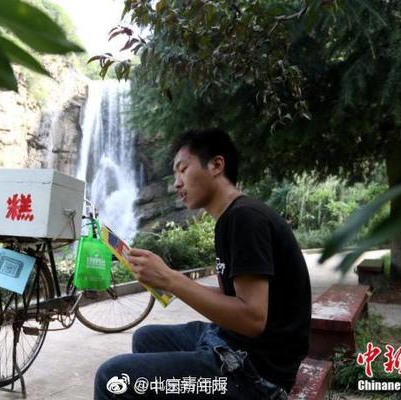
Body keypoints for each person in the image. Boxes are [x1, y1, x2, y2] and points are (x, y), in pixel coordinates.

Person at [94, 128, 311, 399]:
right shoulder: (230, 219)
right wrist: (167, 280)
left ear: (216, 165)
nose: (177, 184)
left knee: (111, 376)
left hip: (256, 372)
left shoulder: (246, 218)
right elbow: (234, 296)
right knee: (146, 337)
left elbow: (253, 319)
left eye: (183, 170)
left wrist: (172, 280)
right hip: (233, 342)